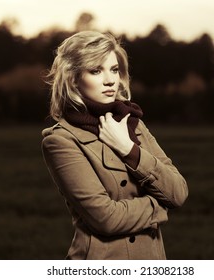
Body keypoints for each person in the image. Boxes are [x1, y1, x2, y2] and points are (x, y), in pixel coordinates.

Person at [41, 30, 188, 260]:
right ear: (73, 78)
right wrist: (159, 205)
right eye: (96, 70)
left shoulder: (133, 123)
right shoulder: (60, 141)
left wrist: (129, 149)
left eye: (114, 69)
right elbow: (106, 219)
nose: (110, 80)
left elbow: (178, 192)